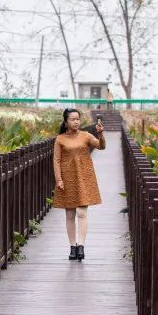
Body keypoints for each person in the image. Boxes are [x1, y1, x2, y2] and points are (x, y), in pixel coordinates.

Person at [52, 108, 104, 261]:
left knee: (82, 213)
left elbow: (101, 146)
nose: (76, 122)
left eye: (78, 119)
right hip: (67, 178)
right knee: (69, 214)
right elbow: (56, 160)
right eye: (73, 119)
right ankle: (72, 247)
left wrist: (100, 134)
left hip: (84, 176)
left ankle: (81, 245)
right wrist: (59, 179)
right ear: (66, 122)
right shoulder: (60, 139)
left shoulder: (86, 135)